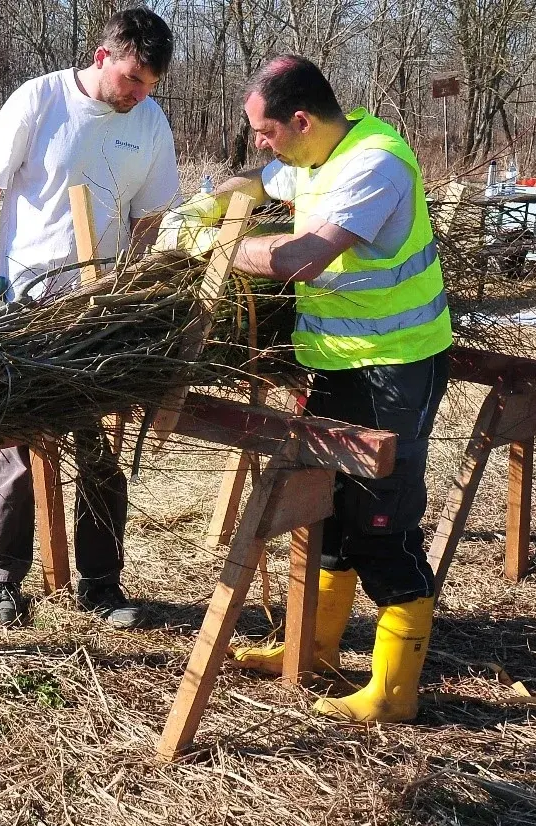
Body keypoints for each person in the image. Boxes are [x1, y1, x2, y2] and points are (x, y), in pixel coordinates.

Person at [164, 54, 452, 722]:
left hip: (397, 366)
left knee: (383, 522)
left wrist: (209, 244)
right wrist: (204, 204)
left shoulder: (375, 162)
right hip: (340, 364)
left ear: (301, 119)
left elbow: (299, 259)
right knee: (325, 510)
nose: (262, 144)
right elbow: (257, 183)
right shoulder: (309, 157)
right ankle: (313, 648)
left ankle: (393, 692)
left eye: (267, 131)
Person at [0, 7, 181, 629]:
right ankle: (3, 580)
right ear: (102, 57)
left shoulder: (150, 124)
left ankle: (101, 585)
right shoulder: (40, 101)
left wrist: (128, 292)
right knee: (18, 447)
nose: (138, 94)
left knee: (100, 449)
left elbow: (149, 217)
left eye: (149, 86)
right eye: (132, 80)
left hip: (98, 311)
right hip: (26, 302)